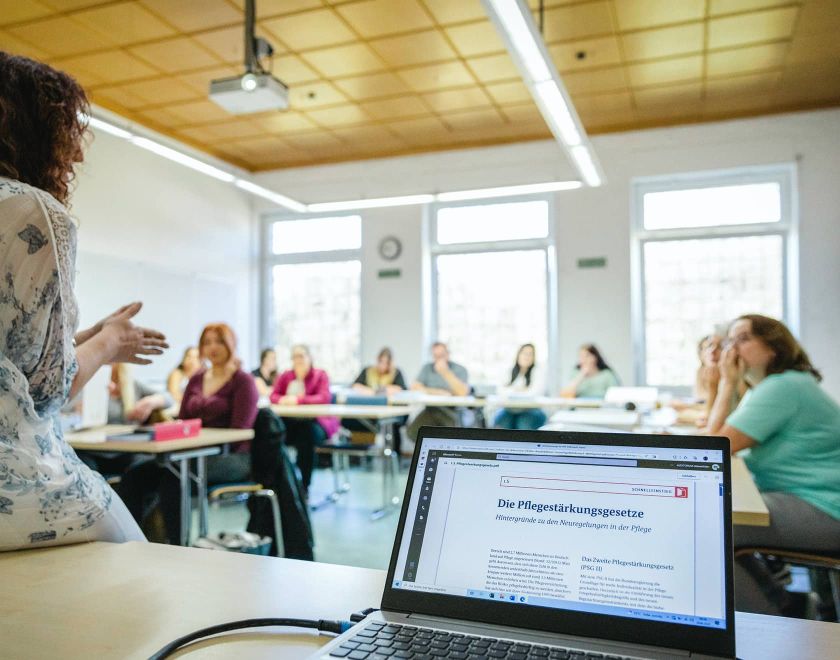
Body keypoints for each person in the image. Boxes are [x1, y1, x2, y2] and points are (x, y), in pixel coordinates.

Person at [0, 52, 168, 551]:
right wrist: (110, 342)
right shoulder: (30, 210)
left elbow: (10, 363)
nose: (75, 157)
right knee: (146, 572)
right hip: (16, 484)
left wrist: (82, 338)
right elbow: (45, 391)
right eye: (67, 135)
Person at [705, 314, 840, 616]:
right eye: (730, 340)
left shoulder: (783, 387)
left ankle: (768, 622)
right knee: (721, 517)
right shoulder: (774, 386)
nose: (732, 348)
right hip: (812, 497)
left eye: (743, 339)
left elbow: (713, 448)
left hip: (827, 506)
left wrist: (726, 382)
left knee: (713, 523)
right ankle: (779, 602)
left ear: (773, 348)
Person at [270, 345, 338, 493]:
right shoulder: (286, 376)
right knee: (272, 432)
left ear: (310, 357)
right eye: (295, 357)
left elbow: (324, 397)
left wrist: (298, 400)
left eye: (301, 356)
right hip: (291, 422)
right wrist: (282, 399)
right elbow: (273, 395)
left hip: (316, 423)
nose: (298, 360)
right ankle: (277, 483)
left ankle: (303, 487)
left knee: (306, 434)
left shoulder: (320, 375)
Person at [348, 347, 408, 455]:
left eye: (386, 363)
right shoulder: (368, 371)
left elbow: (401, 388)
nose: (383, 366)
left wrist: (384, 390)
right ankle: (360, 455)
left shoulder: (396, 373)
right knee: (358, 422)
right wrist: (370, 391)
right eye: (381, 362)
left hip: (390, 412)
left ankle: (395, 453)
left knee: (393, 426)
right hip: (368, 411)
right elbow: (355, 385)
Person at [406, 342, 470, 441]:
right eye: (436, 356)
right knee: (413, 432)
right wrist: (437, 392)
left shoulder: (460, 369)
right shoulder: (427, 368)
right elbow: (415, 386)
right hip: (431, 409)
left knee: (452, 437)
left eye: (441, 355)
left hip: (452, 411)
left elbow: (463, 393)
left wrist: (445, 372)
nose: (439, 359)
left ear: (448, 354)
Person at [494, 343, 547, 430]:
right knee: (501, 421)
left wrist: (513, 390)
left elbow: (535, 393)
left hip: (531, 409)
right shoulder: (509, 370)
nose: (527, 357)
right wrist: (522, 390)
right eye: (524, 353)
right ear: (518, 354)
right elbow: (500, 391)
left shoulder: (538, 371)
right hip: (509, 409)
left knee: (523, 423)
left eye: (530, 354)